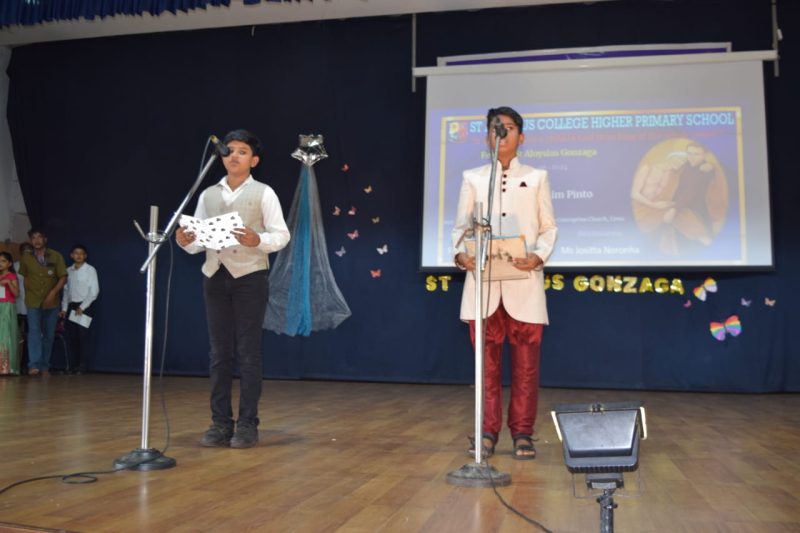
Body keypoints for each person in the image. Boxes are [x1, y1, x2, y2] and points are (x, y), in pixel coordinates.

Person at [452, 106, 557, 460]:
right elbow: (460, 228)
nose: (501, 133)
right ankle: (487, 431)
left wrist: (539, 256)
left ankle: (523, 433)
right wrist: (461, 256)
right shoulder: (473, 178)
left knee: (526, 367)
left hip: (524, 283)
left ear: (521, 137)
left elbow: (549, 228)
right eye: (495, 128)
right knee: (486, 367)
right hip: (483, 286)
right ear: (487, 137)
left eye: (508, 128)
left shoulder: (538, 176)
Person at [177, 129, 290, 449]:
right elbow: (197, 239)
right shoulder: (208, 194)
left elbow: (281, 235)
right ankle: (220, 423)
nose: (234, 156)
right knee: (219, 353)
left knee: (248, 353)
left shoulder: (265, 193)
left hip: (250, 277)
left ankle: (248, 424)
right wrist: (186, 241)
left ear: (254, 160)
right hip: (215, 275)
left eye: (242, 151)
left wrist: (259, 239)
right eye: (229, 151)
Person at [18, 228, 67, 376]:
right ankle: (34, 365)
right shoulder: (26, 257)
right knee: (34, 332)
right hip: (33, 301)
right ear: (30, 241)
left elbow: (63, 277)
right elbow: (25, 277)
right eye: (33, 238)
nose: (37, 240)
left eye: (39, 237)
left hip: (52, 302)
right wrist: (29, 295)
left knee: (48, 334)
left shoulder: (56, 256)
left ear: (45, 239)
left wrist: (52, 293)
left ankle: (45, 366)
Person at [60, 244, 99, 374]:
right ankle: (73, 366)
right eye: (76, 253)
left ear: (85, 256)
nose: (79, 255)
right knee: (72, 337)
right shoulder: (68, 270)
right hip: (72, 306)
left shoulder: (90, 270)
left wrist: (82, 307)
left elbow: (94, 291)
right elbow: (66, 292)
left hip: (84, 306)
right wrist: (64, 308)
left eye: (81, 253)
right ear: (71, 255)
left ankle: (82, 366)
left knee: (83, 337)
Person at [0, 251, 21, 375]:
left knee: (5, 334)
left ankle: (6, 367)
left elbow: (17, 293)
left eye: (3, 261)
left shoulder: (11, 276)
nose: (0, 263)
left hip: (7, 307)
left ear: (9, 263)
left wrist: (8, 283)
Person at [14, 242, 32, 373]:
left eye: (29, 251)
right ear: (21, 253)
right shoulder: (15, 266)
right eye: (25, 251)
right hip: (16, 305)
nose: (27, 254)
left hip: (31, 305)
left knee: (30, 336)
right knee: (15, 335)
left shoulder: (36, 266)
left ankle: (26, 363)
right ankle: (14, 364)